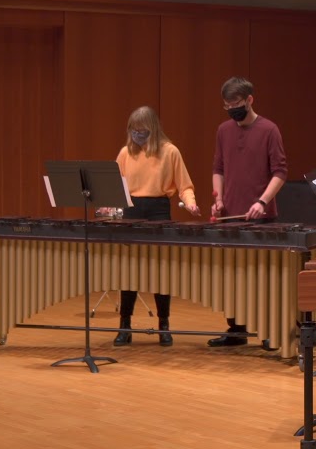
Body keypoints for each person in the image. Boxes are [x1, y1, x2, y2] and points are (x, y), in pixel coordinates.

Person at [207, 77, 288, 347]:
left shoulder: (269, 130)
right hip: (230, 216)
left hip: (261, 217)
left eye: (236, 104)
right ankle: (237, 329)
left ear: (250, 100)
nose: (232, 109)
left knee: (262, 279)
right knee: (231, 278)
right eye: (227, 105)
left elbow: (280, 172)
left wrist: (262, 202)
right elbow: (218, 168)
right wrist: (218, 199)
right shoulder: (223, 130)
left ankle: (267, 330)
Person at [112, 106, 200, 347]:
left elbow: (185, 186)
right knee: (128, 271)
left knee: (161, 270)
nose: (137, 135)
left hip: (158, 210)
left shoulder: (170, 151)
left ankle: (164, 325)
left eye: (142, 130)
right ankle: (124, 326)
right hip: (131, 211)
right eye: (133, 130)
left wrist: (191, 203)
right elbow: (115, 185)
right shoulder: (125, 153)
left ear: (153, 129)